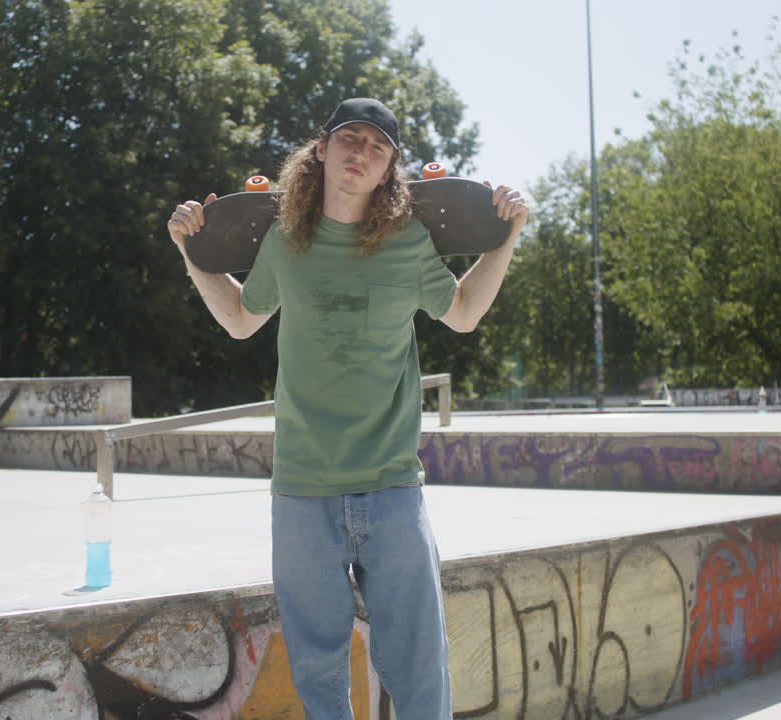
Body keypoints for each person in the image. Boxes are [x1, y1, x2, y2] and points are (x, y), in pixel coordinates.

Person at [166, 97, 526, 719]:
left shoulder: (408, 241)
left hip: (392, 487)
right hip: (303, 491)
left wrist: (507, 237)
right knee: (317, 670)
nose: (362, 153)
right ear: (322, 149)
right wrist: (190, 252)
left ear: (388, 170)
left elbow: (464, 314)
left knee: (419, 664)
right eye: (349, 139)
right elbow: (241, 319)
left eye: (377, 148)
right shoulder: (285, 240)